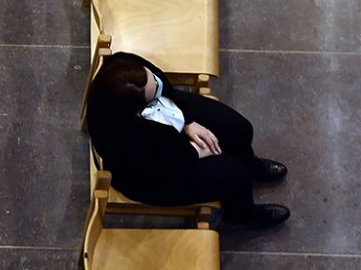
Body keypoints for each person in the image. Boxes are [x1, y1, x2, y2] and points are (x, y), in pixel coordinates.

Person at [86, 52, 290, 228]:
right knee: (235, 174)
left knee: (239, 129)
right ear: (135, 109)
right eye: (152, 91)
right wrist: (194, 151)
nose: (156, 84)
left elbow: (164, 86)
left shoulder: (123, 66)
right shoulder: (122, 139)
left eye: (152, 81)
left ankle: (250, 163)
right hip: (152, 177)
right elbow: (161, 165)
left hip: (168, 124)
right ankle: (240, 214)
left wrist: (187, 121)